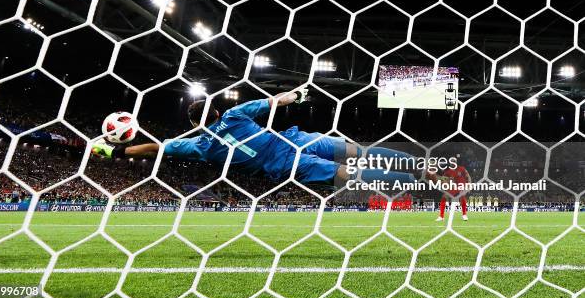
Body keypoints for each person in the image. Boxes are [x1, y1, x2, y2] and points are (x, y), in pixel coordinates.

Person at [92, 89, 419, 187]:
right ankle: (417, 167)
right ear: (215, 111)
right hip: (291, 143)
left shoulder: (199, 145)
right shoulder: (234, 115)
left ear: (193, 122)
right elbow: (277, 101)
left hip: (285, 160)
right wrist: (298, 95)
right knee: (357, 152)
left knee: (350, 174)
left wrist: (117, 153)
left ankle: (408, 175)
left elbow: (156, 149)